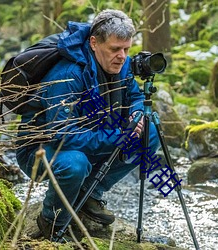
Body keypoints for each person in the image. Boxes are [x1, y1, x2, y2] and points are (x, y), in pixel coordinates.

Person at [16, 9, 160, 241]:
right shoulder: (67, 75)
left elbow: (134, 96)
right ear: (94, 43)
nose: (122, 56)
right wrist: (117, 137)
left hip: (92, 134)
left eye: (126, 49)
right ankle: (51, 221)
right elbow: (62, 136)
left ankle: (90, 193)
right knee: (75, 164)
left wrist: (136, 114)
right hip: (41, 149)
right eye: (115, 49)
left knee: (149, 132)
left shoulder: (120, 64)